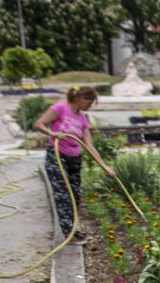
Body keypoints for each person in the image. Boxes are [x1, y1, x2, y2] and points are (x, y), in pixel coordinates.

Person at [33, 85, 115, 243]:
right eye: (89, 102)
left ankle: (73, 229)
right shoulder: (60, 109)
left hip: (75, 159)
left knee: (75, 195)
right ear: (80, 98)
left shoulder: (83, 118)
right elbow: (39, 124)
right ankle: (69, 233)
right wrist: (52, 133)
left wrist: (105, 167)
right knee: (63, 195)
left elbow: (89, 145)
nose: (90, 106)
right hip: (57, 157)